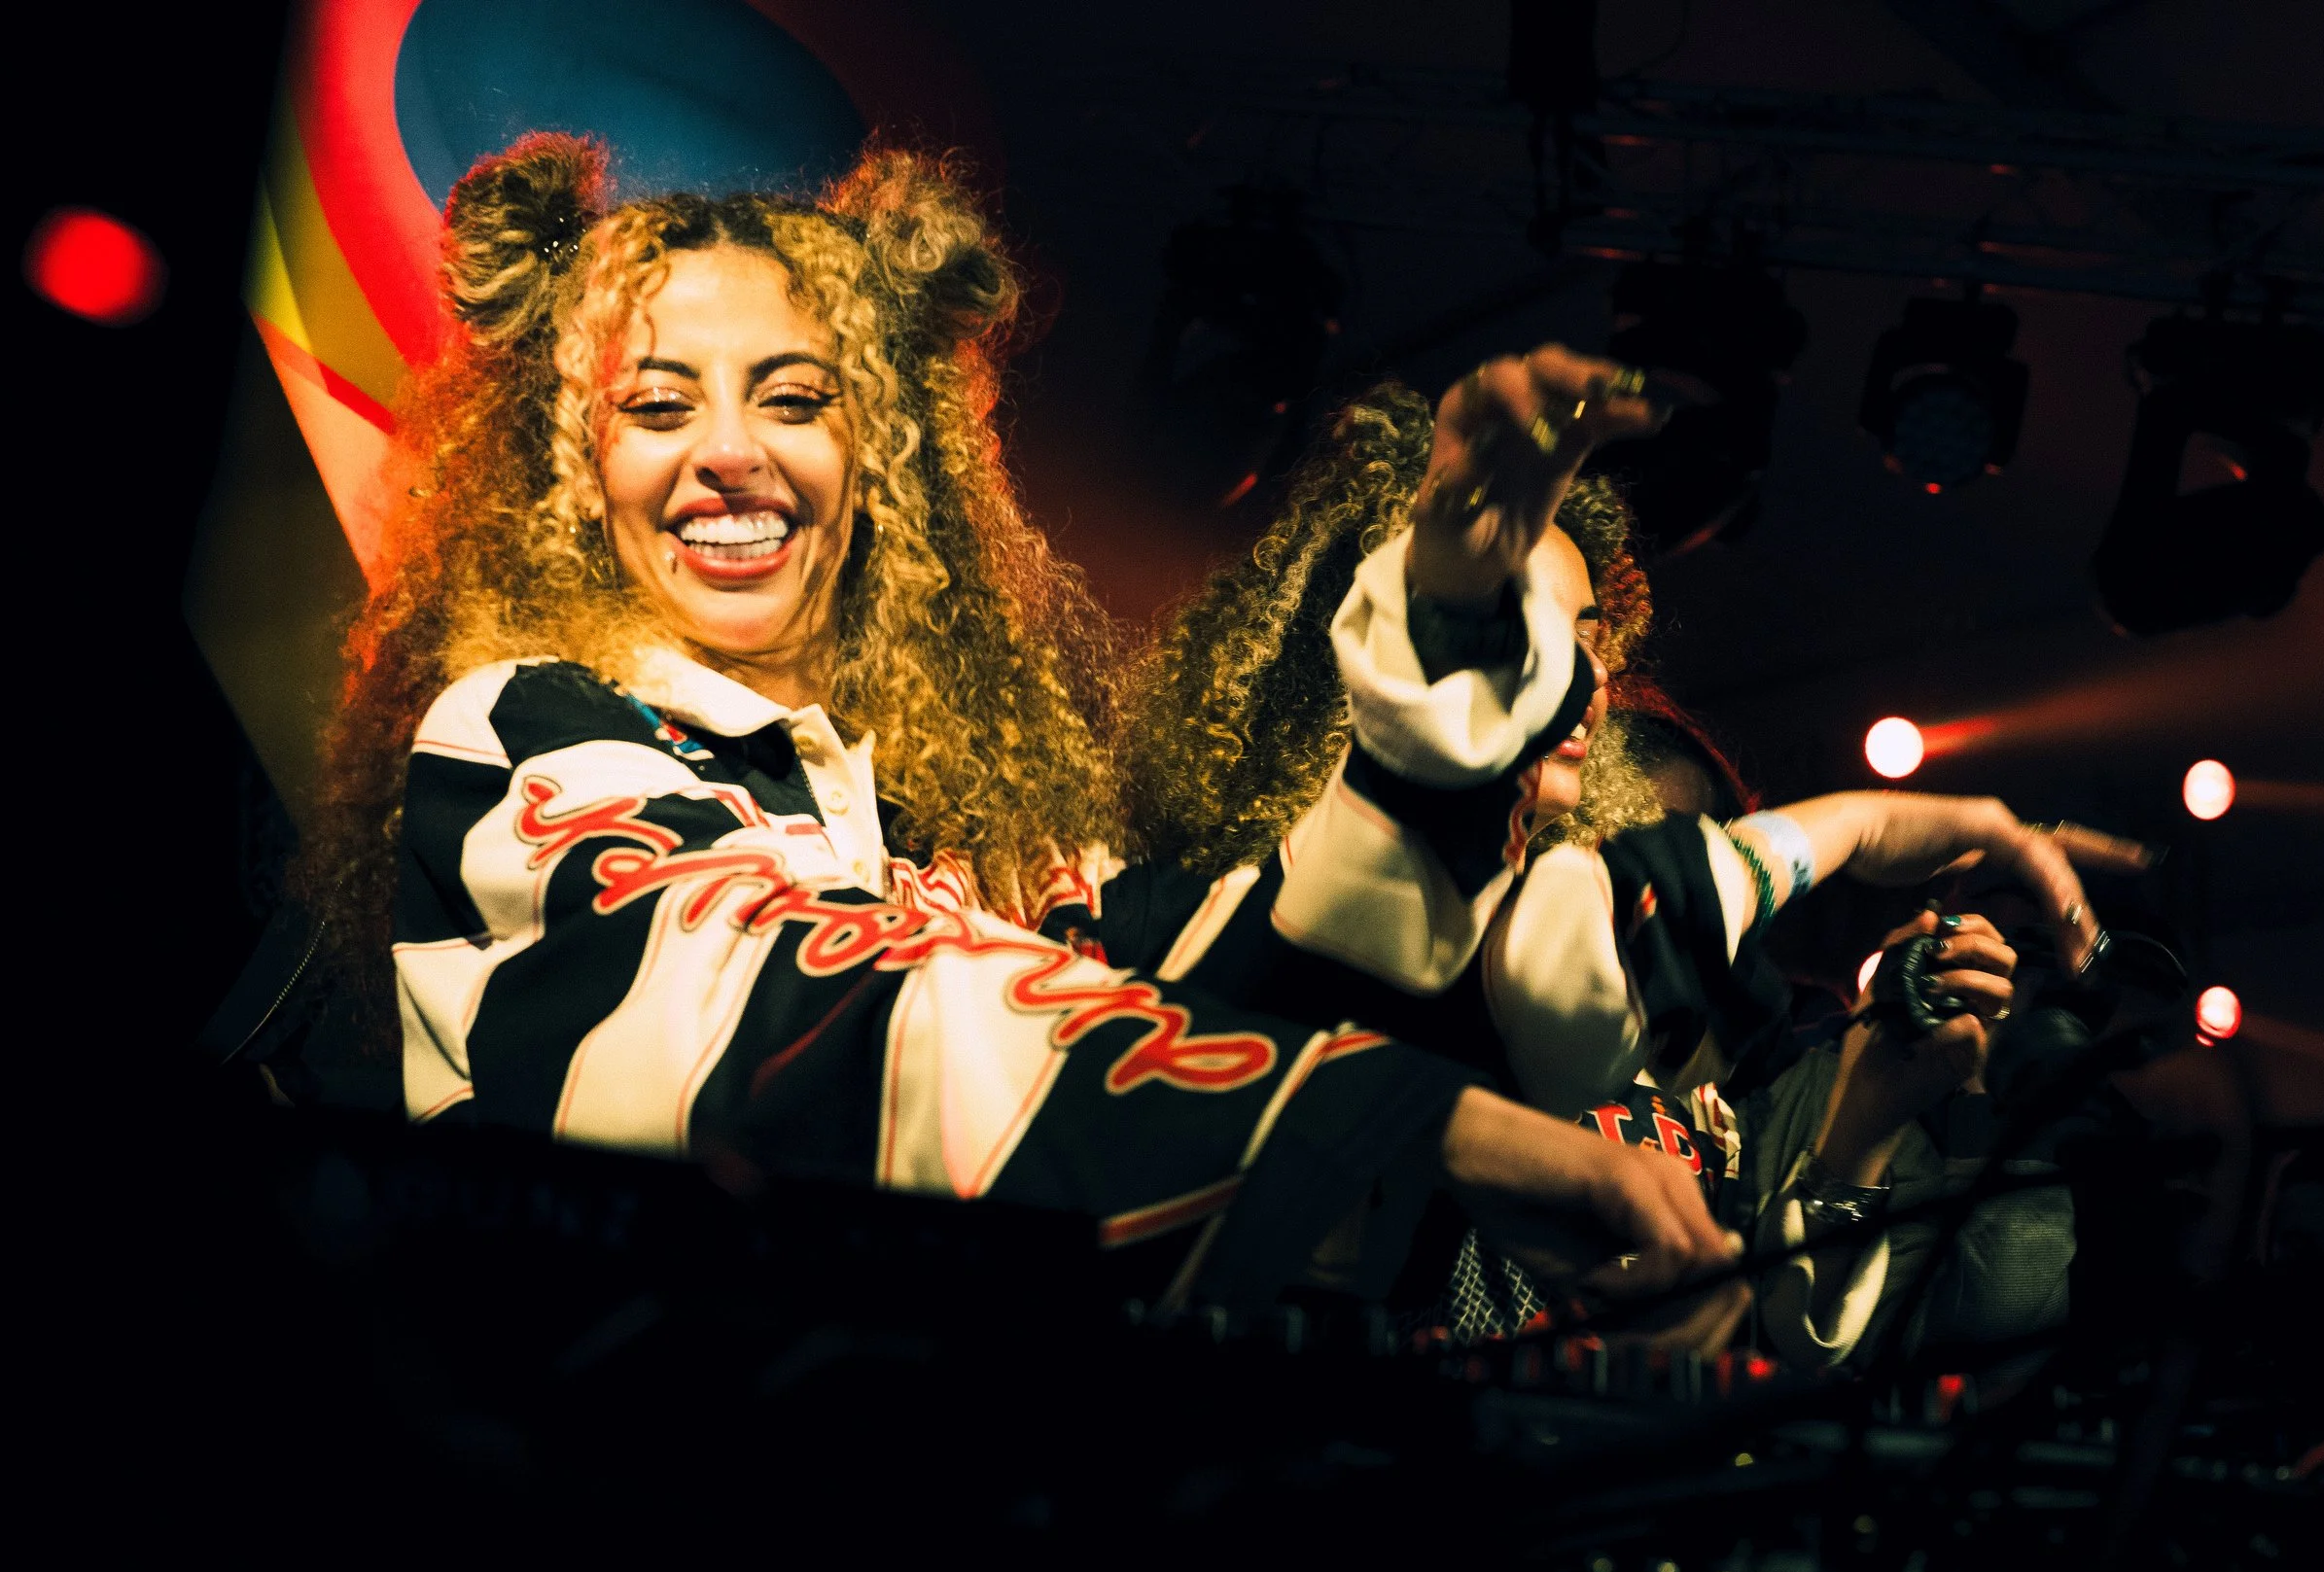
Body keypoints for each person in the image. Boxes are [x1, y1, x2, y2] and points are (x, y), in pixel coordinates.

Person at [294, 133, 1753, 1316]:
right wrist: (1398, 1115)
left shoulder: (949, 820)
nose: (731, 452)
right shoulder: (520, 742)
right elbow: (803, 1029)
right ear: (572, 471)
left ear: (876, 456)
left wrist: (1444, 636)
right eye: (658, 406)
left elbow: (1243, 966)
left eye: (794, 398)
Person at [1099, 373, 2147, 1359]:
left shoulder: (1613, 1020)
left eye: (1590, 637)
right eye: (1516, 627)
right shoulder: (1172, 926)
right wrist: (1865, 824)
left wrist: (1867, 1117)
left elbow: (1807, 1347)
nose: (1586, 675)